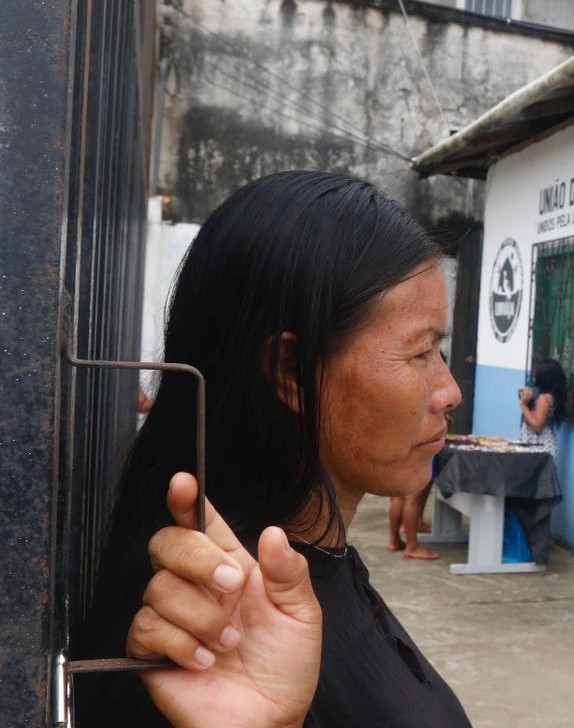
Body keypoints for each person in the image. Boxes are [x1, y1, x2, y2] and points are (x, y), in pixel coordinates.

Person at [77, 171, 471, 728]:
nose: (449, 392)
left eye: (441, 351)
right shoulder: (220, 631)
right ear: (290, 372)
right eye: (420, 354)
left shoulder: (309, 567)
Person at [518, 358, 567, 458]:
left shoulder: (543, 399)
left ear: (543, 378)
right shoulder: (545, 396)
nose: (534, 378)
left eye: (536, 375)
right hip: (538, 444)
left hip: (538, 445)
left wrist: (523, 406)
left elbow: (537, 427)